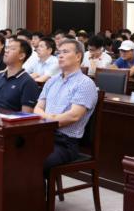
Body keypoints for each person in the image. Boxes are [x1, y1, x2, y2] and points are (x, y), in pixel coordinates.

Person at [34, 39, 98, 175]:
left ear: (78, 56)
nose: (60, 56)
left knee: (34, 162)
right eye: (59, 53)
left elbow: (73, 116)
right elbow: (37, 109)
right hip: (43, 135)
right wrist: (51, 118)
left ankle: (36, 189)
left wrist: (47, 119)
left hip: (64, 142)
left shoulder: (85, 83)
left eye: (65, 52)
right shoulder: (52, 81)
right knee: (13, 154)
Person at [0, 39, 40, 112]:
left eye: (12, 49)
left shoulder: (28, 83)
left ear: (21, 56)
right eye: (7, 48)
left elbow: (26, 115)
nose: (6, 51)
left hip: (9, 118)